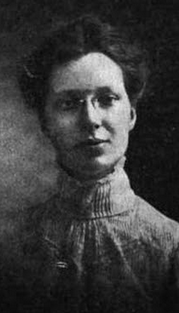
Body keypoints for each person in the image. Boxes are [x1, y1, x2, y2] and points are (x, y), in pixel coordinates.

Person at [1, 14, 179, 313]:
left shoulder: (170, 247)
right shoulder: (9, 246)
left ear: (131, 115)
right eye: (69, 104)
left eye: (107, 99)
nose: (91, 120)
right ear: (45, 122)